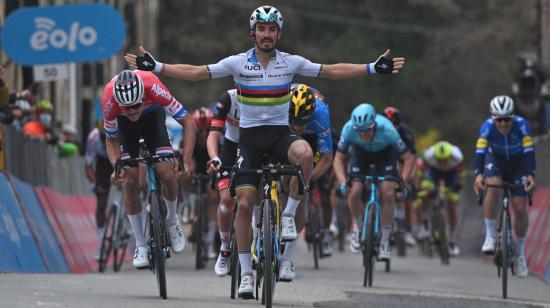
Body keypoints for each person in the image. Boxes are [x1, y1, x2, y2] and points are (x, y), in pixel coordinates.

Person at [125, 5, 405, 298]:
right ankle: (246, 273)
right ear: (253, 32)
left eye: (272, 29)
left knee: (306, 154)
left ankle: (288, 214)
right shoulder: (237, 63)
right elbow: (197, 72)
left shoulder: (290, 62)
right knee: (244, 205)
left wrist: (372, 68)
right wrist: (156, 67)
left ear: (279, 33)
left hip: (280, 136)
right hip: (249, 141)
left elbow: (331, 71)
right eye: (262, 29)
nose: (267, 34)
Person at [102, 69, 197, 269]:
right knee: (129, 180)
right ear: (119, 103)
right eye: (127, 107)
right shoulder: (109, 102)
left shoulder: (153, 87)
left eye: (136, 105)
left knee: (167, 173)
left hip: (153, 117)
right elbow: (110, 140)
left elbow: (189, 122)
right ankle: (140, 244)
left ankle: (171, 220)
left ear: (142, 96)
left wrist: (186, 161)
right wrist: (116, 166)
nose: (133, 110)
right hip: (126, 128)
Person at [333, 103, 414, 260]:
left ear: (374, 124)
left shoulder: (387, 129)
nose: (363, 134)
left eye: (367, 130)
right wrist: (343, 182)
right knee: (354, 190)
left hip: (385, 155)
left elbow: (408, 158)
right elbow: (338, 159)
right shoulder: (349, 128)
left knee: (388, 192)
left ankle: (384, 241)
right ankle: (358, 228)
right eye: (359, 131)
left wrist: (402, 182)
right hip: (361, 154)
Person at [473, 95, 535, 278]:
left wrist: (531, 174)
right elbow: (480, 152)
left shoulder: (523, 125)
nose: (503, 124)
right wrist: (478, 175)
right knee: (492, 185)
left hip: (518, 165)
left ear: (513, 117)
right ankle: (491, 235)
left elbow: (529, 152)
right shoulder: (487, 127)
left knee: (521, 208)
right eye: (499, 119)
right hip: (496, 163)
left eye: (507, 119)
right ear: (493, 118)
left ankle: (521, 254)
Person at [281, 83, 334, 280]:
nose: (296, 128)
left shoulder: (320, 114)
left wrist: (307, 178)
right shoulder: (280, 105)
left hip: (312, 140)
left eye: (300, 123)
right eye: (293, 122)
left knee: (301, 188)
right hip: (282, 133)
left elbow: (327, 158)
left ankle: (287, 259)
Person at [206, 89, 241, 277]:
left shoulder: (265, 94)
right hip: (232, 146)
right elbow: (213, 135)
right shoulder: (228, 98)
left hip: (257, 148)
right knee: (226, 200)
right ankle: (225, 248)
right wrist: (214, 157)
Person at [416, 141, 465, 256]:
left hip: (451, 174)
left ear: (450, 157)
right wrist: (418, 187)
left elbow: (462, 173)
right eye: (440, 160)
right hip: (433, 172)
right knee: (426, 190)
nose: (443, 163)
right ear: (435, 157)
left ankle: (452, 239)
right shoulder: (429, 156)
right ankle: (424, 221)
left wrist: (459, 186)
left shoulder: (457, 157)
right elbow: (420, 172)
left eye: (445, 160)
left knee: (452, 201)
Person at [187, 107, 219, 260]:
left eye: (207, 131)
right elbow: (187, 159)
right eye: (200, 132)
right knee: (186, 175)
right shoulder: (188, 137)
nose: (204, 135)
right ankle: (189, 208)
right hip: (197, 167)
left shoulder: (218, 138)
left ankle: (211, 238)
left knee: (213, 195)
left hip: (212, 168)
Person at [383, 106, 417, 247]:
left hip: (403, 160)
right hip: (385, 159)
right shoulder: (380, 130)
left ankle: (408, 229)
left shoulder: (405, 133)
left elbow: (412, 158)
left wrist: (408, 178)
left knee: (406, 193)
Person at [84, 121, 114, 259]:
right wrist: (95, 183)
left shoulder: (120, 132)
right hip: (103, 163)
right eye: (103, 137)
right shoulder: (93, 138)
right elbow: (88, 166)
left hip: (119, 156)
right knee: (101, 202)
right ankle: (102, 241)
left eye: (107, 136)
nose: (104, 140)